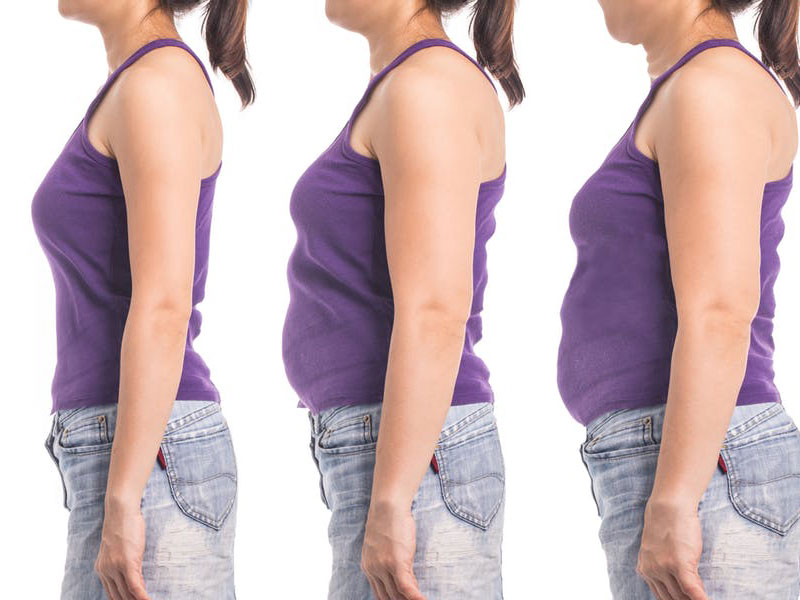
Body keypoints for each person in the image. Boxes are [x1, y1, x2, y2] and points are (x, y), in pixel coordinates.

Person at [558, 0, 800, 598]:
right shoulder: (692, 87)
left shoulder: (710, 87)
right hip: (692, 464)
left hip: (704, 467)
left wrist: (674, 497)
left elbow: (720, 311)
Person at [282, 0, 523, 598]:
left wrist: (392, 499)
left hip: (417, 458)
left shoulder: (426, 88)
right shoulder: (407, 85)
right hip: (402, 452)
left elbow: (438, 309)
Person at [32, 1, 253, 598]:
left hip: (148, 455)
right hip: (132, 448)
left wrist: (125, 497)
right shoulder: (138, 84)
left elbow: (163, 303)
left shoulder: (156, 86)